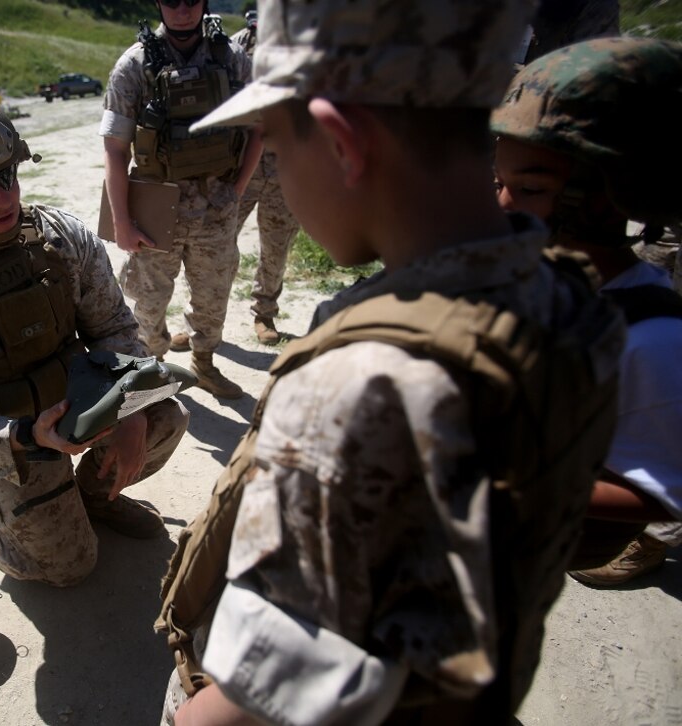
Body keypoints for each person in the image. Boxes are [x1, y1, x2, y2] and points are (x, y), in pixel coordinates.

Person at [154, 0, 625, 724]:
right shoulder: (566, 296)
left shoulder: (365, 384)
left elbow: (260, 705)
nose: (276, 171)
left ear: (341, 144)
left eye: (276, 149)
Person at [0, 89, 189, 587]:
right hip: (8, 440)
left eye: (7, 177)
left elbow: (115, 330)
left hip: (76, 410)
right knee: (71, 568)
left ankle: (90, 498)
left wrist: (129, 410)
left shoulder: (61, 238)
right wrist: (24, 437)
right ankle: (6, 521)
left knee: (165, 415)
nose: (2, 197)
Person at [492, 37, 682, 586]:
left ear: (614, 193)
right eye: (500, 184)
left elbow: (665, 494)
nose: (503, 205)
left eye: (529, 188)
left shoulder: (653, 338)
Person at [101, 0, 263, 400]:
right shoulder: (135, 64)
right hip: (156, 208)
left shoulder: (233, 59)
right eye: (171, 0)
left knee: (213, 296)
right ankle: (152, 372)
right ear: (158, 4)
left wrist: (237, 189)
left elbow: (260, 126)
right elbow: (115, 149)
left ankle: (204, 364)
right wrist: (122, 221)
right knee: (148, 301)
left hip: (216, 206)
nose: (182, 10)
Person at [229, 8, 301, 345]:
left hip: (288, 165)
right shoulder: (237, 46)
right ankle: (200, 315)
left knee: (276, 246)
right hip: (242, 162)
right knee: (216, 240)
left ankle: (264, 313)